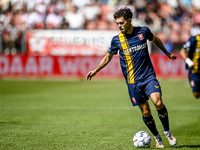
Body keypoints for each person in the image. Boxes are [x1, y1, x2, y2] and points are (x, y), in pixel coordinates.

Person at [86, 7, 177, 148]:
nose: (119, 26)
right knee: (146, 112)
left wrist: (166, 53)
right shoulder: (117, 40)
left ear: (129, 21)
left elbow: (156, 39)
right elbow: (108, 57)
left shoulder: (143, 32)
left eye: (121, 23)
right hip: (133, 82)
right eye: (117, 23)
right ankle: (157, 137)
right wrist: (96, 70)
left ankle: (167, 132)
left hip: (148, 77)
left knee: (158, 103)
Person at [179, 31, 200, 99]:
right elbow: (182, 52)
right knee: (196, 94)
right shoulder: (194, 39)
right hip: (195, 71)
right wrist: (189, 62)